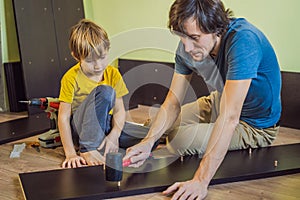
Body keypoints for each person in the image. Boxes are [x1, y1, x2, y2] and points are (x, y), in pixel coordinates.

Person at [124, 0, 281, 199]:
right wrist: (148, 142)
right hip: (219, 100)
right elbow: (173, 103)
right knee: (154, 123)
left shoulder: (243, 40)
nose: (187, 47)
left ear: (216, 27)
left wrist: (200, 181)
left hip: (253, 124)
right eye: (182, 37)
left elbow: (230, 117)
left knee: (179, 139)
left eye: (194, 37)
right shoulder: (187, 48)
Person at [58, 19, 148, 168]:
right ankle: (88, 147)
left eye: (102, 57)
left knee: (150, 138)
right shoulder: (70, 77)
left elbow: (119, 111)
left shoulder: (113, 73)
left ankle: (102, 142)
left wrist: (114, 135)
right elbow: (63, 117)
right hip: (81, 128)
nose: (98, 66)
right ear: (76, 56)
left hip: (105, 124)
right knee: (106, 91)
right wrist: (70, 153)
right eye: (90, 61)